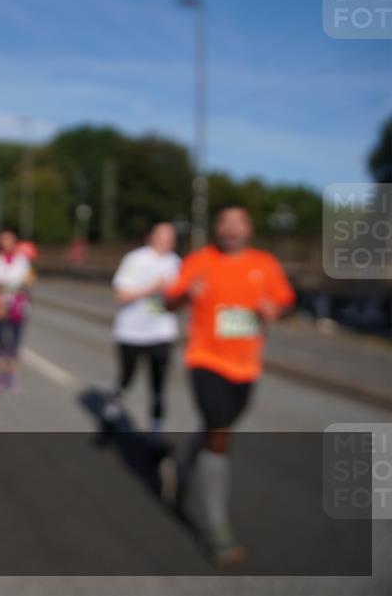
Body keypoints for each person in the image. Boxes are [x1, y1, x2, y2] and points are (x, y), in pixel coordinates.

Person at [164, 206, 294, 566]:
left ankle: (183, 462)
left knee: (216, 428)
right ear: (217, 229)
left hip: (246, 366)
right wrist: (187, 293)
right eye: (226, 222)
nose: (232, 228)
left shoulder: (264, 264)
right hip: (206, 359)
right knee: (220, 432)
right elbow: (169, 302)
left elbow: (285, 302)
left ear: (249, 230)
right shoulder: (198, 260)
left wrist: (275, 311)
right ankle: (217, 528)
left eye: (240, 222)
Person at [104, 222, 181, 434]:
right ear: (151, 237)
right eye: (161, 235)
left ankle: (156, 430)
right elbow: (121, 296)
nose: (166, 240)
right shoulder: (135, 259)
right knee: (127, 377)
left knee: (159, 384)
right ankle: (113, 409)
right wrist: (151, 289)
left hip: (162, 332)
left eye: (170, 236)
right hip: (131, 332)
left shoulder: (176, 263)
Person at [0, 230, 34, 390]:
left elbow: (27, 280)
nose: (7, 243)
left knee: (14, 343)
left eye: (10, 240)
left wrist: (11, 284)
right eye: (4, 240)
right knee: (0, 342)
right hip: (0, 306)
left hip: (18, 307)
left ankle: (12, 375)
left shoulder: (22, 260)